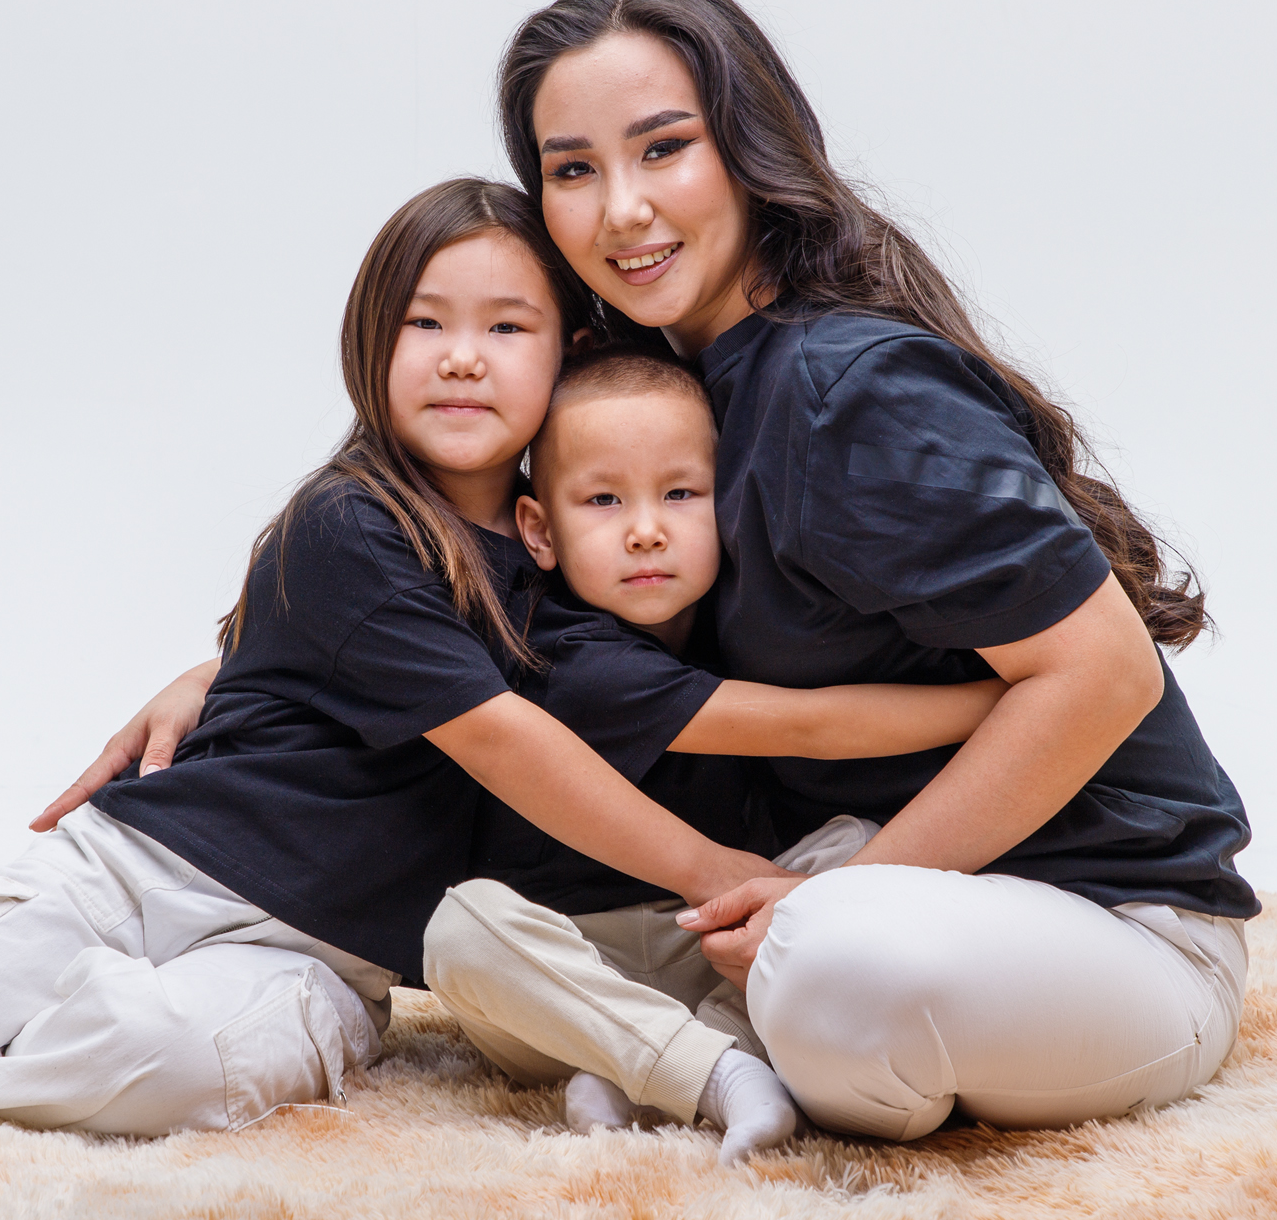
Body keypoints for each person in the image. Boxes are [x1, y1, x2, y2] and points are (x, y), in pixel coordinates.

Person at [491, 0, 1260, 1141]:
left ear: (748, 146)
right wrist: (252, 657)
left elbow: (1105, 674)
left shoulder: (842, 389)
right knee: (502, 922)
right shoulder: (654, 395)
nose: (622, 211)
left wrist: (828, 901)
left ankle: (724, 1036)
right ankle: (727, 1035)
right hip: (875, 884)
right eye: (573, 170)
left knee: (829, 960)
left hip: (1114, 929)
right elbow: (442, 546)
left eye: (664, 148)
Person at [0, 177, 783, 1137]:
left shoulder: (574, 551)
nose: (462, 357)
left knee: (177, 1065)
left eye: (507, 327)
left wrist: (211, 669)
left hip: (319, 959)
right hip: (149, 871)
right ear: (371, 341)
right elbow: (499, 736)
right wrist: (711, 869)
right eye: (425, 323)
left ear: (571, 352)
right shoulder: (352, 516)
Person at [420, 346, 1007, 1163]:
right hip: (572, 971)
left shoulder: (744, 617)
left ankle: (666, 1061)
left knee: (856, 843)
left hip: (713, 944)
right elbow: (812, 727)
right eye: (603, 500)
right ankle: (710, 1069)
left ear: (726, 504)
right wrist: (1017, 694)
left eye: (680, 493)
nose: (646, 531)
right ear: (540, 531)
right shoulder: (572, 658)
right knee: (460, 928)